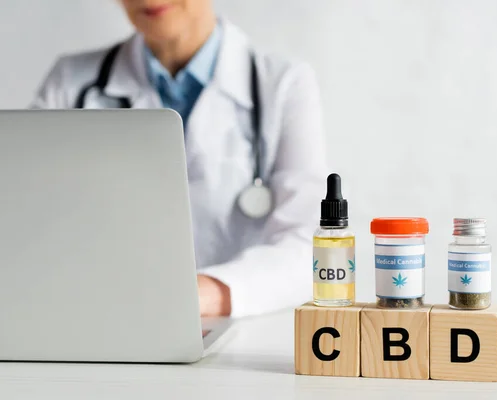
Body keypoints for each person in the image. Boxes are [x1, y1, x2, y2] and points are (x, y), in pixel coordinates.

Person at [31, 0, 327, 318]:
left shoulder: (282, 83)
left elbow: (311, 247)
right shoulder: (70, 84)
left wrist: (206, 295)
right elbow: (27, 223)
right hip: (99, 321)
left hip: (237, 336)